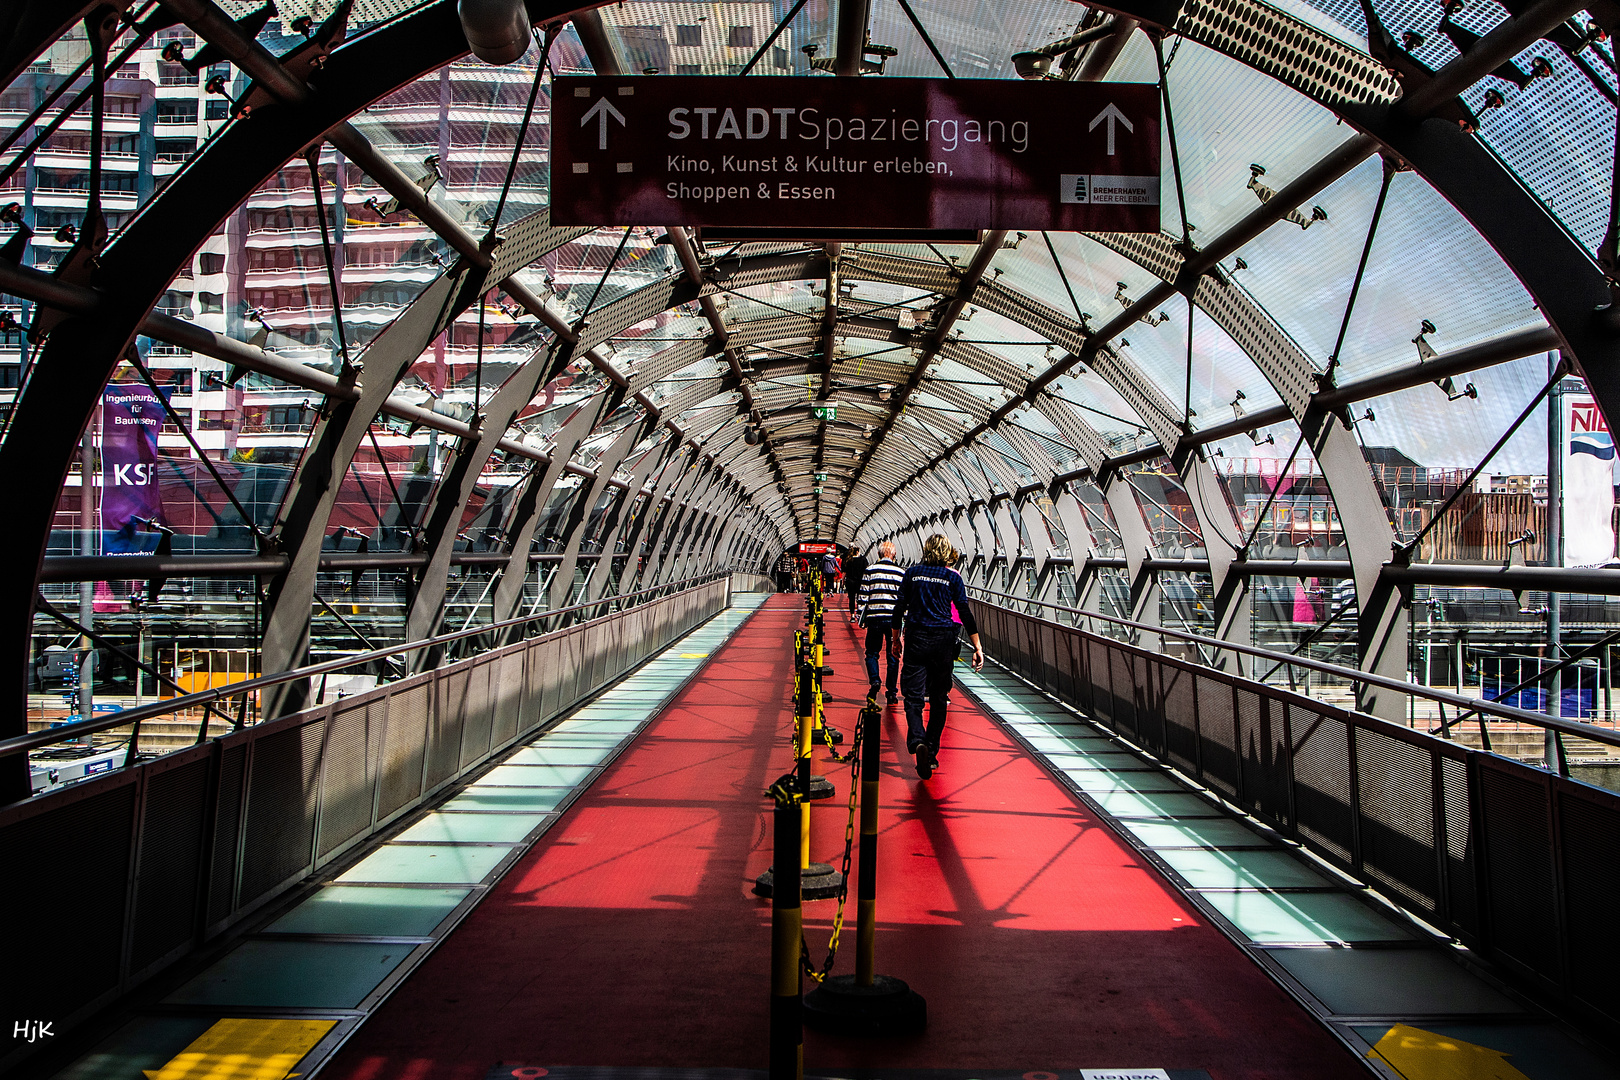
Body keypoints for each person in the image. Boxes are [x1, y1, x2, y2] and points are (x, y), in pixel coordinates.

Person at [891, 533, 983, 779]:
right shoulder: (953, 577)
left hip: (916, 637)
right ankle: (930, 752)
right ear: (947, 552)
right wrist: (977, 645)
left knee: (913, 696)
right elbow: (963, 610)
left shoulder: (911, 573)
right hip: (943, 639)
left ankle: (917, 740)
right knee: (939, 697)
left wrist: (894, 639)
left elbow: (899, 607)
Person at [856, 541, 904, 703]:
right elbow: (904, 600)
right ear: (893, 554)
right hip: (893, 621)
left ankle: (875, 680)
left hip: (874, 618)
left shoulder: (870, 571)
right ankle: (891, 692)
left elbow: (863, 597)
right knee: (893, 655)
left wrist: (860, 617)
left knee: (871, 653)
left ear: (878, 554)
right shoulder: (900, 573)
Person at [842, 545, 868, 616]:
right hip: (860, 581)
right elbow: (866, 570)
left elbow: (844, 572)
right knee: (860, 598)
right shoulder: (863, 559)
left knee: (851, 599)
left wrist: (843, 580)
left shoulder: (848, 560)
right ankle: (859, 613)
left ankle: (852, 615)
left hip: (850, 581)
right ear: (857, 552)